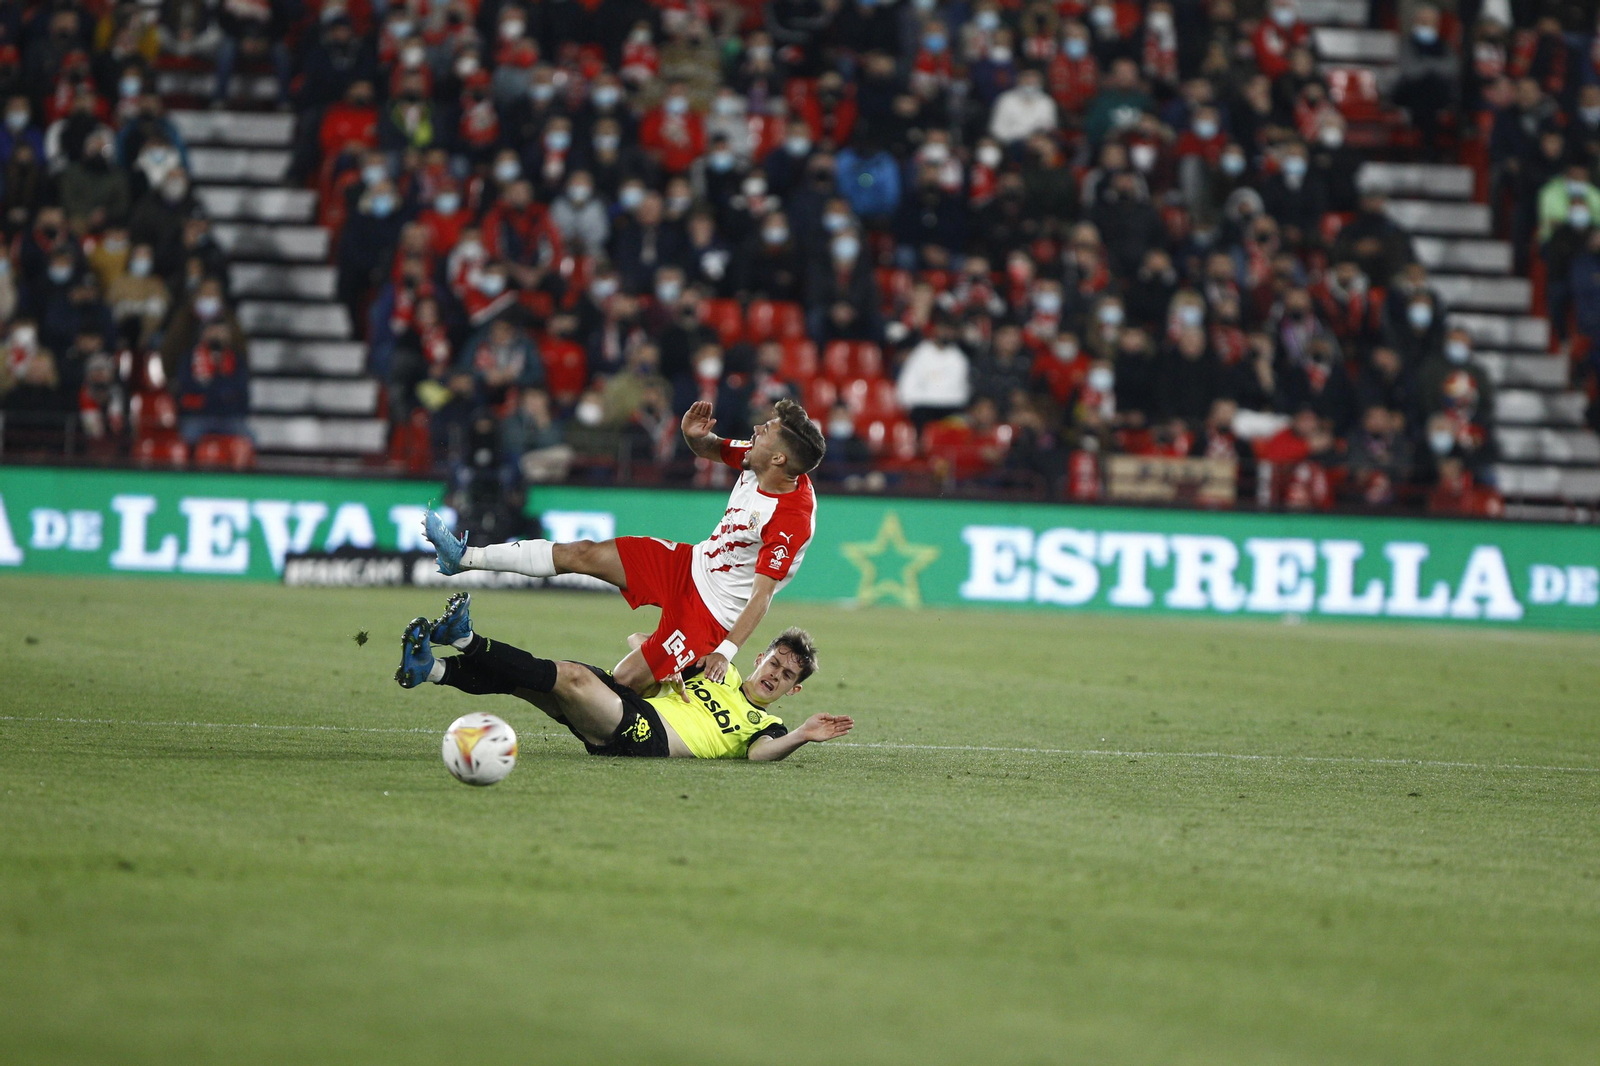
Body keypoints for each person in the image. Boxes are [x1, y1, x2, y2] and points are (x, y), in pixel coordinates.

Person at [423, 398, 825, 694]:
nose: (755, 431)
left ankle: (680, 676)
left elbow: (762, 596)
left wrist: (725, 652)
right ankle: (464, 558)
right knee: (582, 553)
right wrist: (692, 436)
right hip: (688, 563)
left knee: (623, 684)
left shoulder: (790, 519)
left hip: (711, 614)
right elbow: (709, 446)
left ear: (777, 459)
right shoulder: (757, 459)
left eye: (766, 430)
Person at [395, 594, 853, 762]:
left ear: (794, 689)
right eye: (774, 662)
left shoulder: (765, 727)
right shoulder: (720, 669)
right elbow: (642, 638)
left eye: (787, 675)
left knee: (569, 677)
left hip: (647, 737)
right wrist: (670, 666)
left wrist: (801, 735)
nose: (775, 674)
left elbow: (761, 755)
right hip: (630, 704)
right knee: (531, 682)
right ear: (760, 657)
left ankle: (466, 639)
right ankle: (432, 669)